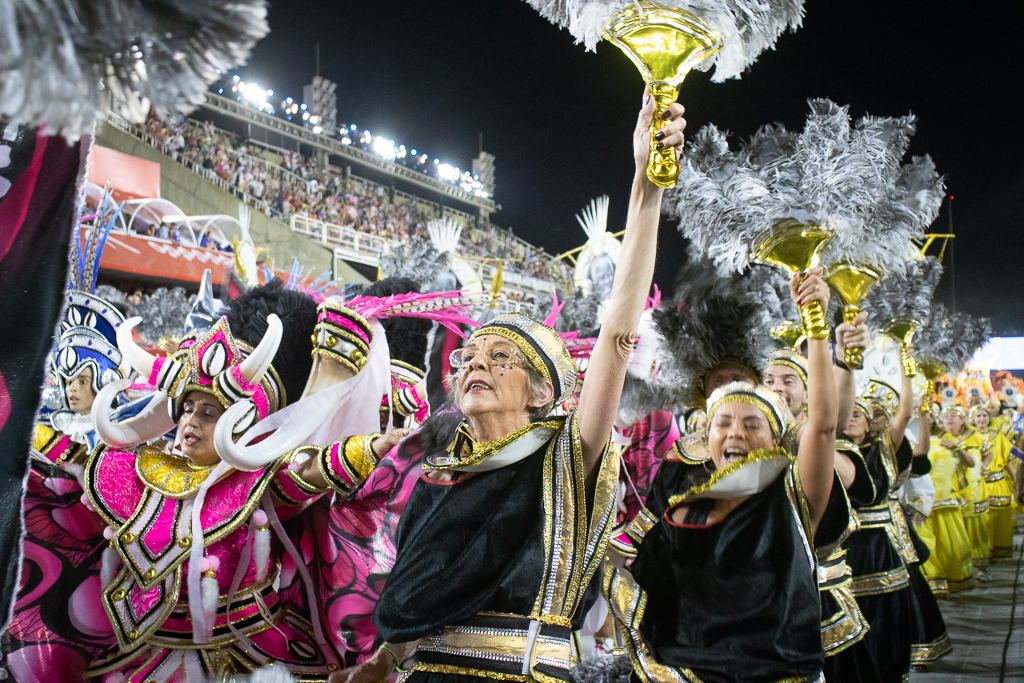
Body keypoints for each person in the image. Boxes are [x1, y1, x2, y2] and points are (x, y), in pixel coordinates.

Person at [347, 91, 686, 683]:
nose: (476, 362)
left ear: (540, 392)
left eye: (502, 356)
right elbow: (415, 606)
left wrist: (646, 185)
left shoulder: (564, 458)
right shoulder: (435, 479)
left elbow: (617, 333)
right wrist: (380, 663)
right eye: (470, 356)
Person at [603, 265, 843, 683]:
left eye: (752, 424)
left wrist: (817, 324)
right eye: (724, 423)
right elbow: (642, 560)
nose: (736, 432)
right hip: (689, 671)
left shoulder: (793, 490)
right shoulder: (685, 498)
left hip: (778, 671)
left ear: (777, 439)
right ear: (705, 431)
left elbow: (822, 424)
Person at [916, 406, 976, 595]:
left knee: (950, 544)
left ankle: (951, 580)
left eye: (928, 416)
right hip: (919, 501)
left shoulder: (947, 438)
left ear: (933, 419)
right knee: (924, 543)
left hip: (945, 499)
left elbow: (971, 463)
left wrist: (956, 448)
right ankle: (932, 584)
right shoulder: (907, 438)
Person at [970, 403, 1015, 560]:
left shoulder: (999, 436)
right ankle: (982, 560)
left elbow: (1007, 461)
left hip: (998, 485)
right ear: (973, 419)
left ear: (989, 418)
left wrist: (1016, 481)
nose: (982, 419)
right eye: (978, 416)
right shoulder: (968, 438)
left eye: (984, 415)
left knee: (999, 522)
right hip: (977, 487)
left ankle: (995, 555)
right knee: (981, 524)